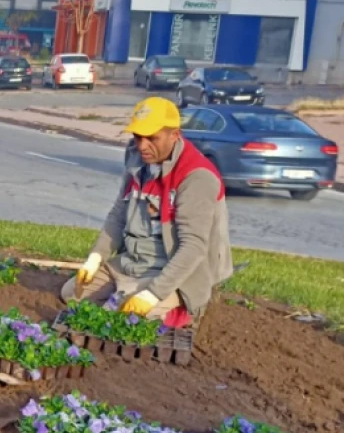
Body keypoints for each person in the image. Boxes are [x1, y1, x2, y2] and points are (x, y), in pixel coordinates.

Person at [63, 97, 233, 325]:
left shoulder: (197, 176)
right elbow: (118, 214)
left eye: (152, 138)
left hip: (169, 270)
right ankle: (128, 292)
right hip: (132, 262)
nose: (142, 145)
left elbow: (193, 246)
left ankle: (181, 309)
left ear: (174, 135)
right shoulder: (138, 160)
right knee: (71, 294)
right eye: (137, 136)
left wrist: (152, 294)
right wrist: (96, 257)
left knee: (126, 320)